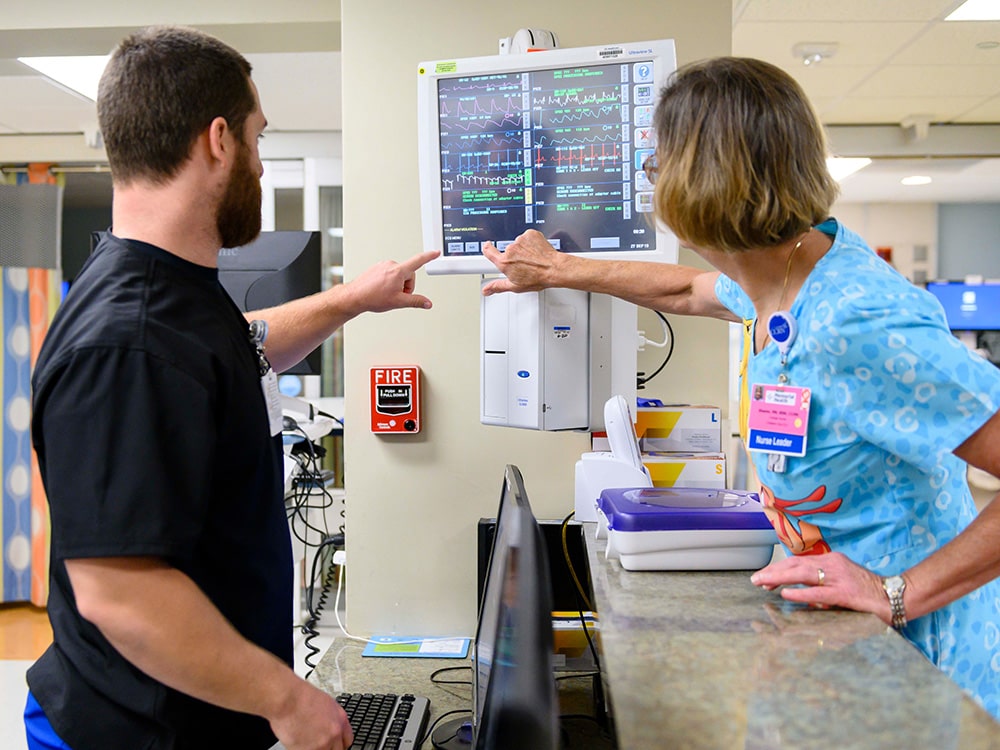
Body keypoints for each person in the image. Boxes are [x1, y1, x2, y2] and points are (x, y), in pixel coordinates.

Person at [482, 57, 1000, 719]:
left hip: (916, 665)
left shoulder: (854, 320)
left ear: (703, 182)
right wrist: (557, 269)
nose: (652, 182)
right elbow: (687, 290)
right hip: (828, 636)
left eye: (656, 165)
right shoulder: (783, 274)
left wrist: (900, 592)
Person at [26, 26, 437, 750]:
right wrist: (288, 700)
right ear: (218, 140)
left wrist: (351, 301)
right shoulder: (129, 341)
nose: (260, 164)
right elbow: (120, 592)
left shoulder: (171, 294)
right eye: (258, 141)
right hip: (134, 732)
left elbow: (230, 352)